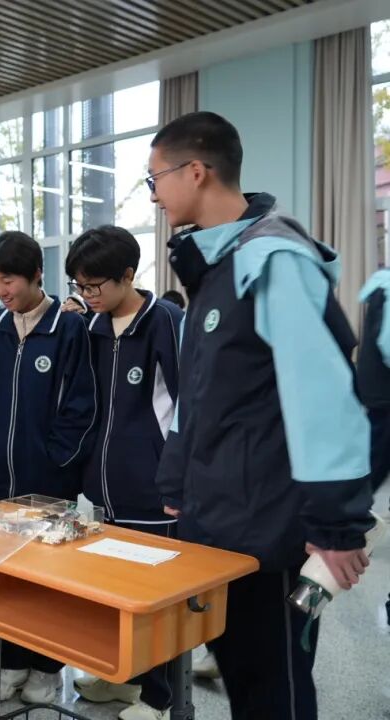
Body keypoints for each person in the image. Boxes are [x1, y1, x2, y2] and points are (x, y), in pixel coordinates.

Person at [149, 111, 373, 720]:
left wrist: (337, 526)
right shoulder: (215, 269)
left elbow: (322, 395)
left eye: (156, 178)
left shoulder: (272, 257)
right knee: (243, 677)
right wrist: (177, 481)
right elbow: (201, 396)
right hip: (220, 520)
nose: (155, 195)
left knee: (275, 690)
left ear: (196, 171)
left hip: (268, 528)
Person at [0, 232, 97, 704]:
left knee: (47, 582)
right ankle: (13, 662)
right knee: (6, 579)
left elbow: (82, 405)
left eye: (9, 280)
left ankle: (47, 668)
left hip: (49, 481)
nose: (1, 291)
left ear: (37, 273)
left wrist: (57, 460)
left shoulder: (69, 327)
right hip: (1, 478)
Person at [64, 225, 184, 720]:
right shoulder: (91, 327)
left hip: (153, 487)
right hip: (104, 487)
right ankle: (125, 679)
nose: (87, 295)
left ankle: (160, 698)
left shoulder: (165, 321)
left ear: (128, 275)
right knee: (118, 592)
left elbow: (187, 405)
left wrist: (175, 477)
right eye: (80, 286)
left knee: (157, 597)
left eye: (94, 285)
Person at [358, 268, 390, 494]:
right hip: (385, 391)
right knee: (377, 457)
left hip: (378, 387)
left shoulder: (383, 286)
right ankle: (357, 505)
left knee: (376, 453)